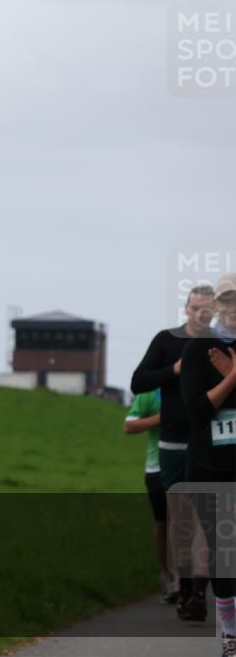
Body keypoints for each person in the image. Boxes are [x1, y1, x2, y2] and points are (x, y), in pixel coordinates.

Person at [132, 284, 215, 619]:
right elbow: (138, 382)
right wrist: (174, 370)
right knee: (180, 521)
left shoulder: (219, 343)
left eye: (207, 309)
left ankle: (198, 593)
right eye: (195, 308)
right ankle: (184, 589)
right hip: (173, 445)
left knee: (205, 519)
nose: (200, 314)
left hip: (207, 443)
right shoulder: (166, 341)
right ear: (186, 309)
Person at [179, 273, 236, 656]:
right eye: (227, 300)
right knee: (223, 551)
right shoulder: (197, 350)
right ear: (216, 306)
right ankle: (230, 634)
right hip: (207, 465)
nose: (233, 308)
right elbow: (197, 411)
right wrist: (233, 378)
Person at [123, 389, 174, 602]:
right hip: (157, 468)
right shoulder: (150, 392)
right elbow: (129, 426)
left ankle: (191, 580)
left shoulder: (191, 380)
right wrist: (162, 418)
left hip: (190, 462)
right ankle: (166, 575)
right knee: (163, 523)